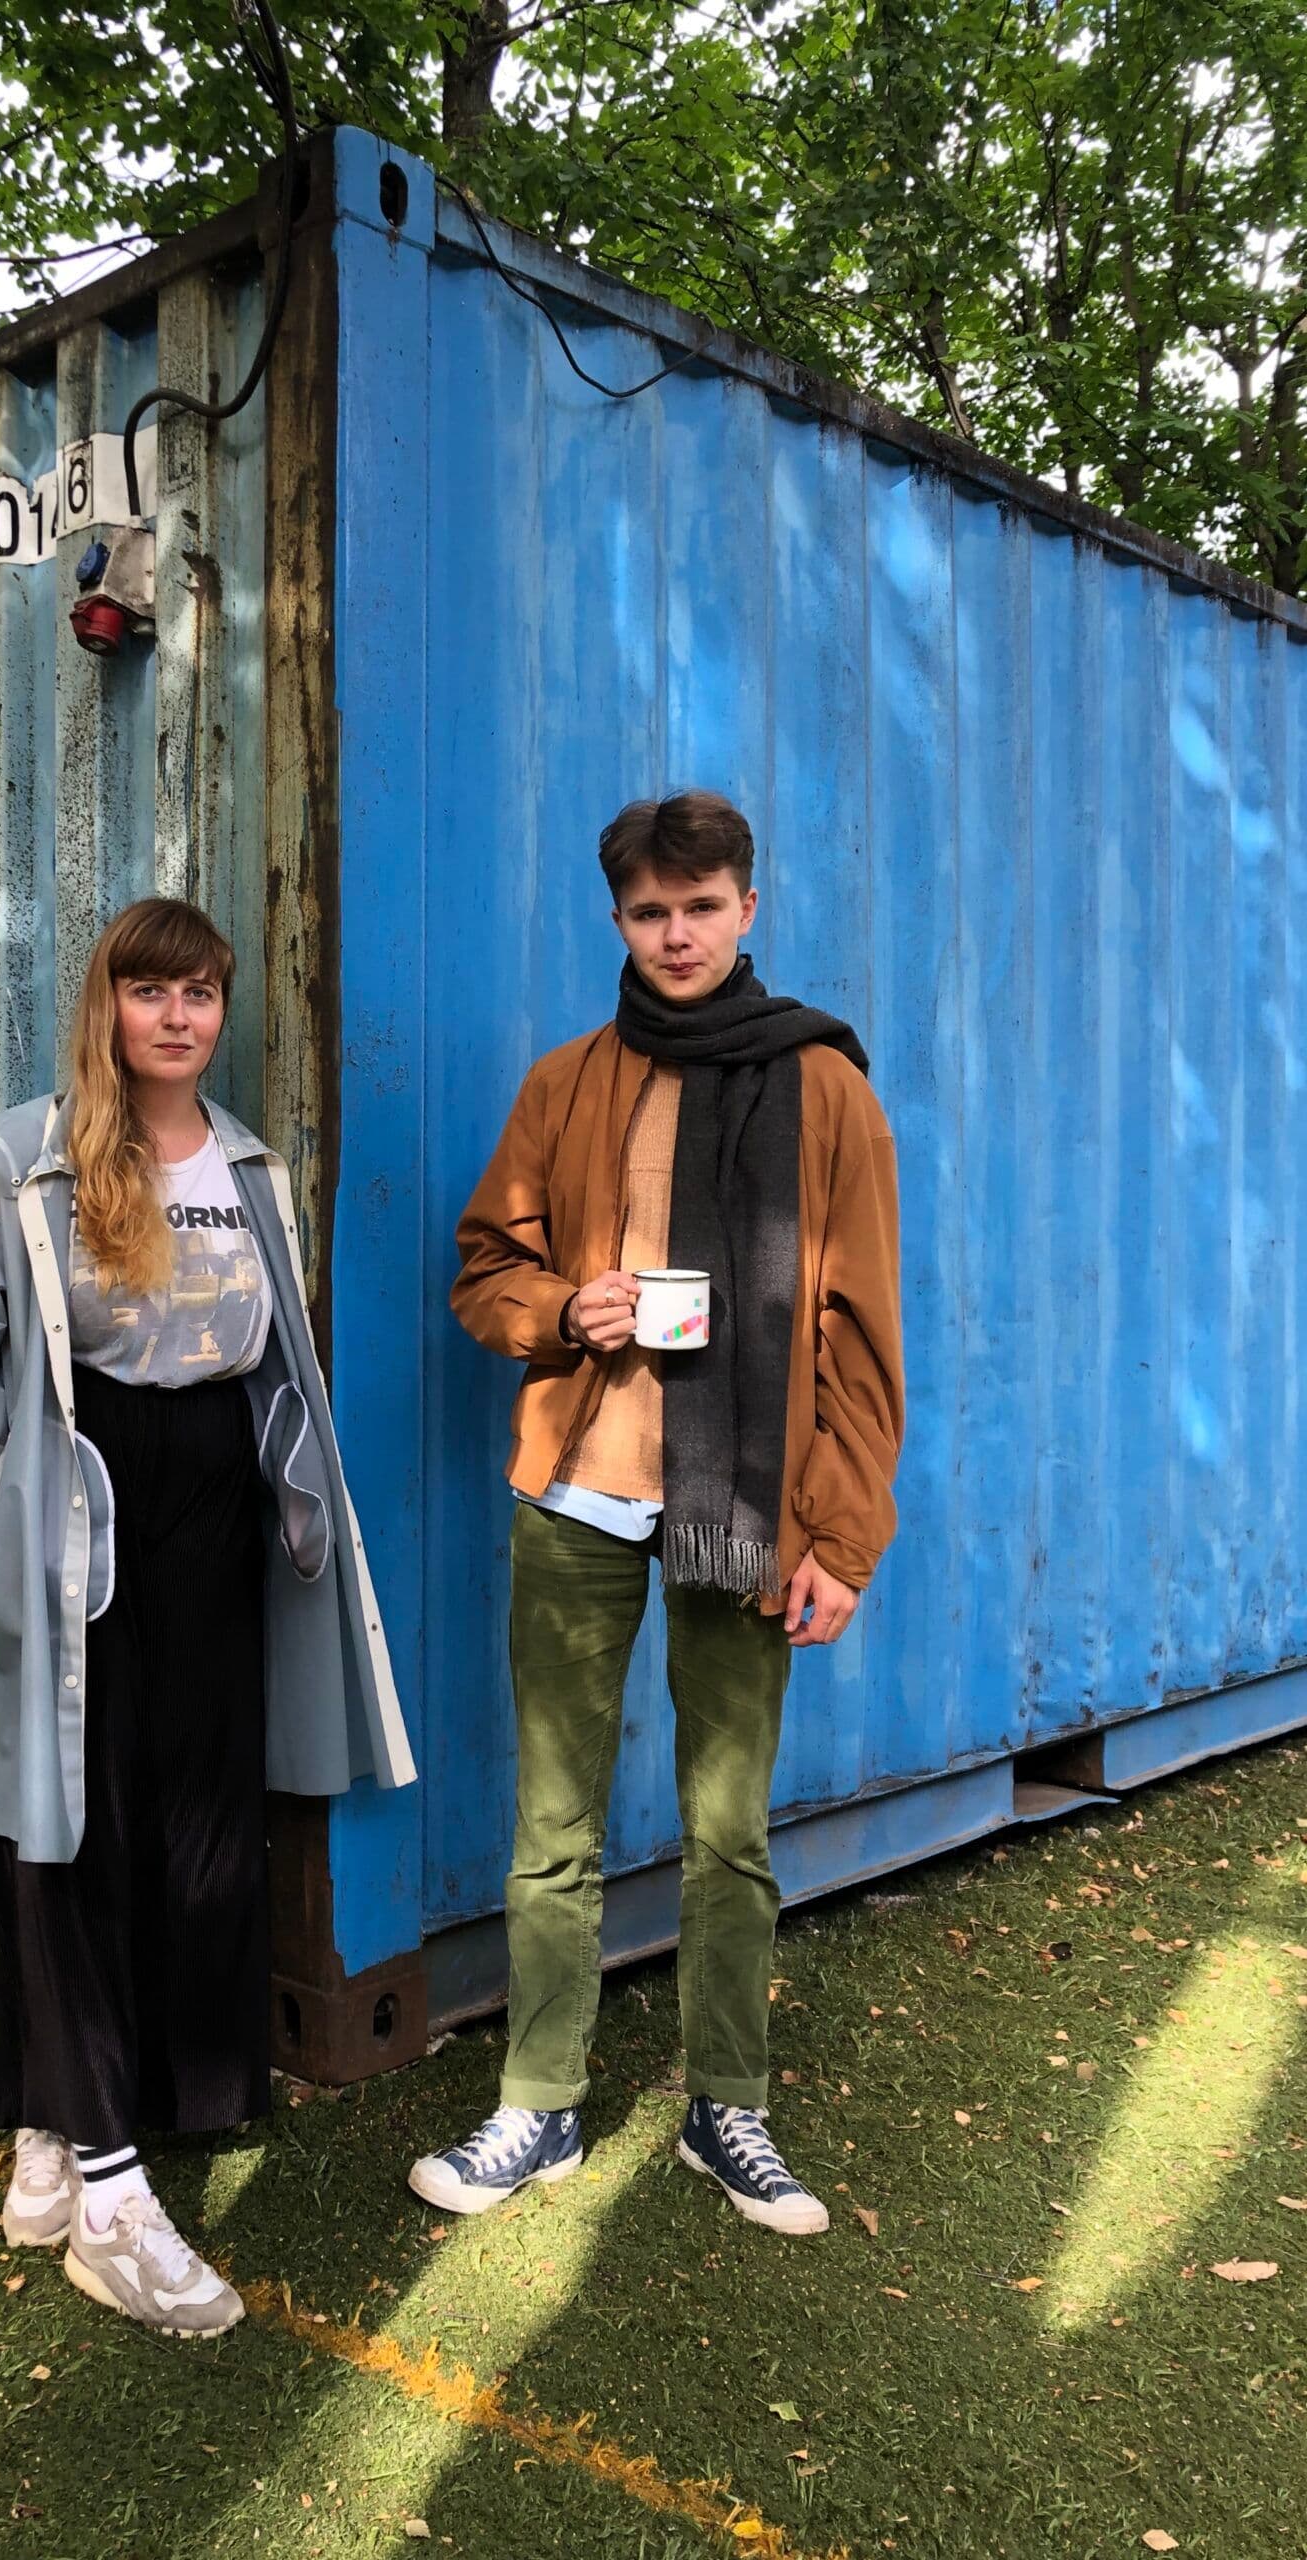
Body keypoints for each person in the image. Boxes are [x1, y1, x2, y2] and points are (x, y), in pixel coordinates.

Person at [0, 897, 414, 2336]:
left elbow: (274, 1359)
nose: (178, 1017)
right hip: (79, 1517)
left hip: (214, 1519)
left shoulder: (247, 1163)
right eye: (150, 990)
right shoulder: (28, 1155)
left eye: (201, 994)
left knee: (192, 1822)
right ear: (106, 1005)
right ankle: (108, 2196)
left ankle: (72, 2121)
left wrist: (290, 1501)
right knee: (67, 1822)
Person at [410, 792, 903, 2235]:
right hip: (576, 1496)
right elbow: (484, 1268)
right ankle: (540, 2104)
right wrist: (569, 1308)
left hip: (744, 1511)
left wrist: (844, 1539)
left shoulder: (825, 1089)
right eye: (649, 912)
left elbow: (862, 1332)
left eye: (700, 907)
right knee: (552, 1826)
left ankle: (724, 2107)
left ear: (749, 907)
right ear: (618, 919)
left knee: (728, 1830)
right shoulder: (569, 1082)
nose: (676, 936)